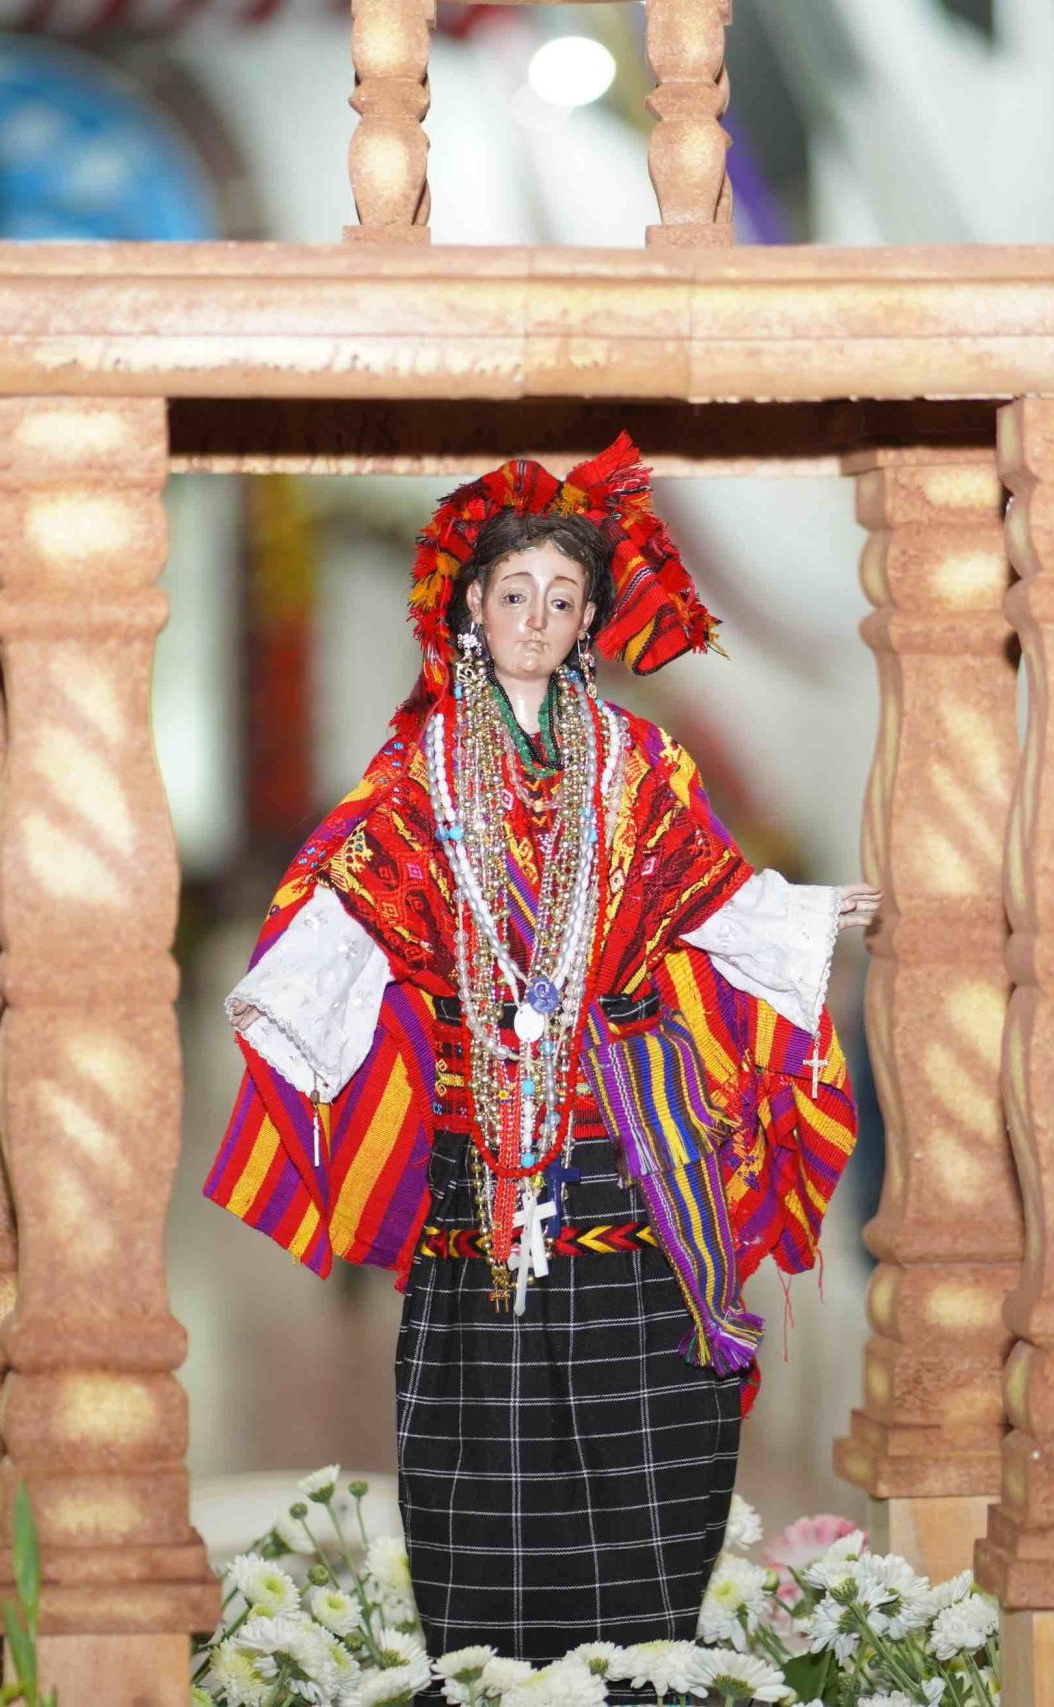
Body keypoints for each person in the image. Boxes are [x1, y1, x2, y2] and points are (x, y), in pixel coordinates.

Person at [204, 433, 876, 1667]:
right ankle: (493, 1676)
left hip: (626, 1152)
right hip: (478, 1164)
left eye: (562, 599)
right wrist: (295, 989)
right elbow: (355, 894)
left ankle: (644, 1668)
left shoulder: (641, 762)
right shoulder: (420, 772)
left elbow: (705, 893)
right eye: (514, 594)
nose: (536, 620)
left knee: (649, 1462)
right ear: (473, 606)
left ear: (588, 620)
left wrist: (815, 913)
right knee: (483, 1479)